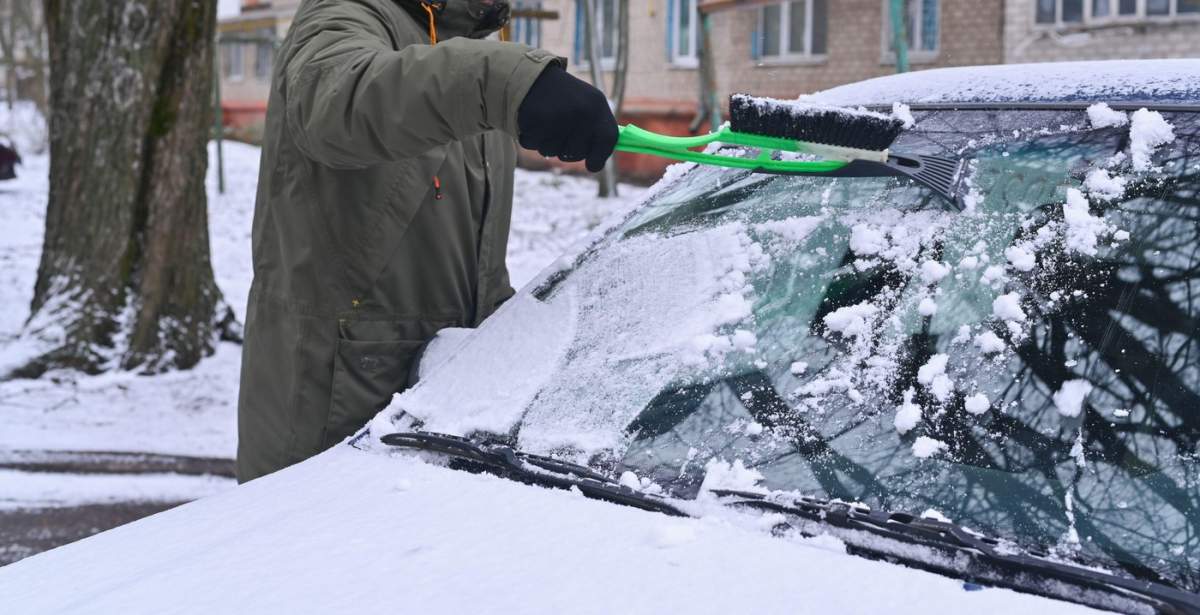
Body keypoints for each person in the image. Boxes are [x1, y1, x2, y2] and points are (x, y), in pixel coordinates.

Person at [237, 0, 618, 482]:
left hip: (443, 417)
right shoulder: (343, 13)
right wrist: (504, 81)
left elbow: (469, 259)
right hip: (335, 416)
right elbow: (335, 101)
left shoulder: (467, 43)